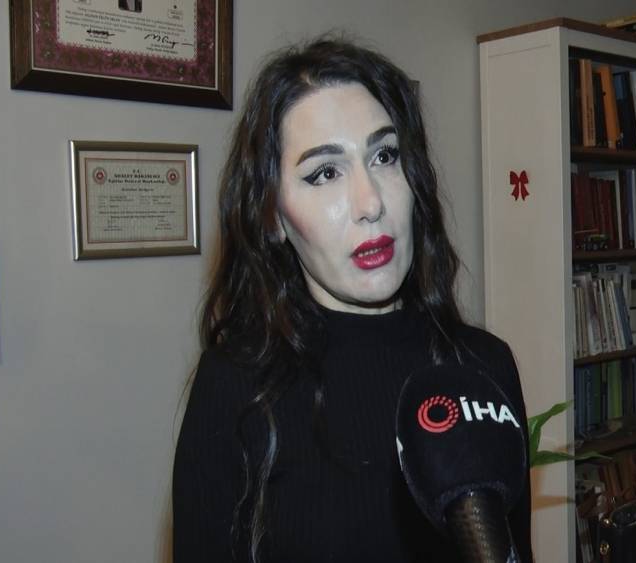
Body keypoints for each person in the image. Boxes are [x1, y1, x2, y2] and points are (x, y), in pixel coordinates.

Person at [172, 38, 533, 563]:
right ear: (272, 217)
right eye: (325, 172)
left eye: (385, 156)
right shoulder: (234, 384)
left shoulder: (484, 366)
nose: (370, 203)